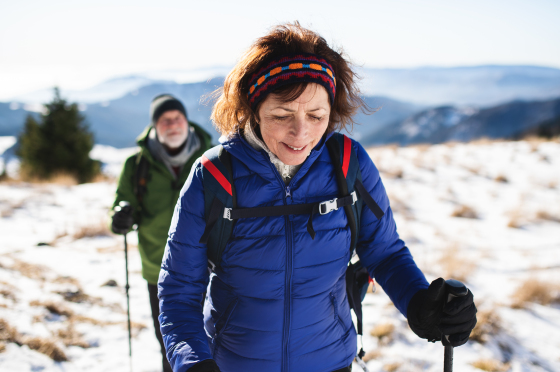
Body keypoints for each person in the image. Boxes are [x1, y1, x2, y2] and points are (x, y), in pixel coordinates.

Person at [158, 23, 477, 372]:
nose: (301, 133)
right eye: (281, 115)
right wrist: (194, 363)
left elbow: (383, 252)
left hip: (330, 361)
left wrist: (420, 304)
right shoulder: (215, 177)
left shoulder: (348, 165)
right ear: (254, 108)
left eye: (316, 115)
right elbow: (179, 293)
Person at [111, 94, 213, 372]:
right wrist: (121, 216)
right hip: (160, 270)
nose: (172, 124)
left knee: (215, 342)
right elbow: (120, 204)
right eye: (165, 120)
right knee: (172, 344)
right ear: (155, 126)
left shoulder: (213, 160)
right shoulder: (136, 166)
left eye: (177, 118)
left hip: (210, 268)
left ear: (187, 121)